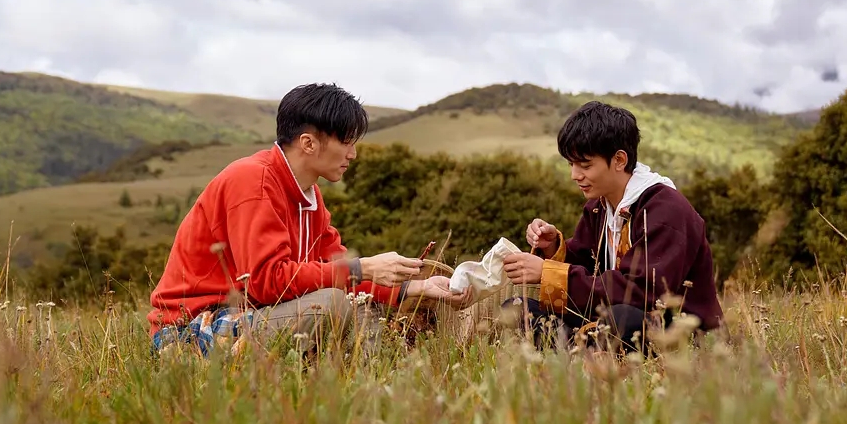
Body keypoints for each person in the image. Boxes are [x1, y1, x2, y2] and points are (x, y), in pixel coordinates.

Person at [147, 82, 471, 355]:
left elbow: (341, 271)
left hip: (253, 317)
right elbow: (266, 281)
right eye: (346, 141)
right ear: (308, 143)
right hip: (190, 330)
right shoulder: (253, 181)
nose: (353, 153)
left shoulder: (311, 197)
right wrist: (363, 267)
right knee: (330, 304)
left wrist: (414, 288)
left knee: (360, 307)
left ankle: (376, 383)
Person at [501, 101, 723, 352]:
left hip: (674, 329)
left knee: (622, 318)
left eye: (585, 165)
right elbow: (587, 265)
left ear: (619, 159)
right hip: (607, 316)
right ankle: (583, 348)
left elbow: (641, 292)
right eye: (571, 164)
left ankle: (576, 348)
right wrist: (551, 247)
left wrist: (547, 272)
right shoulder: (599, 206)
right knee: (517, 307)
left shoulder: (666, 210)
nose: (575, 175)